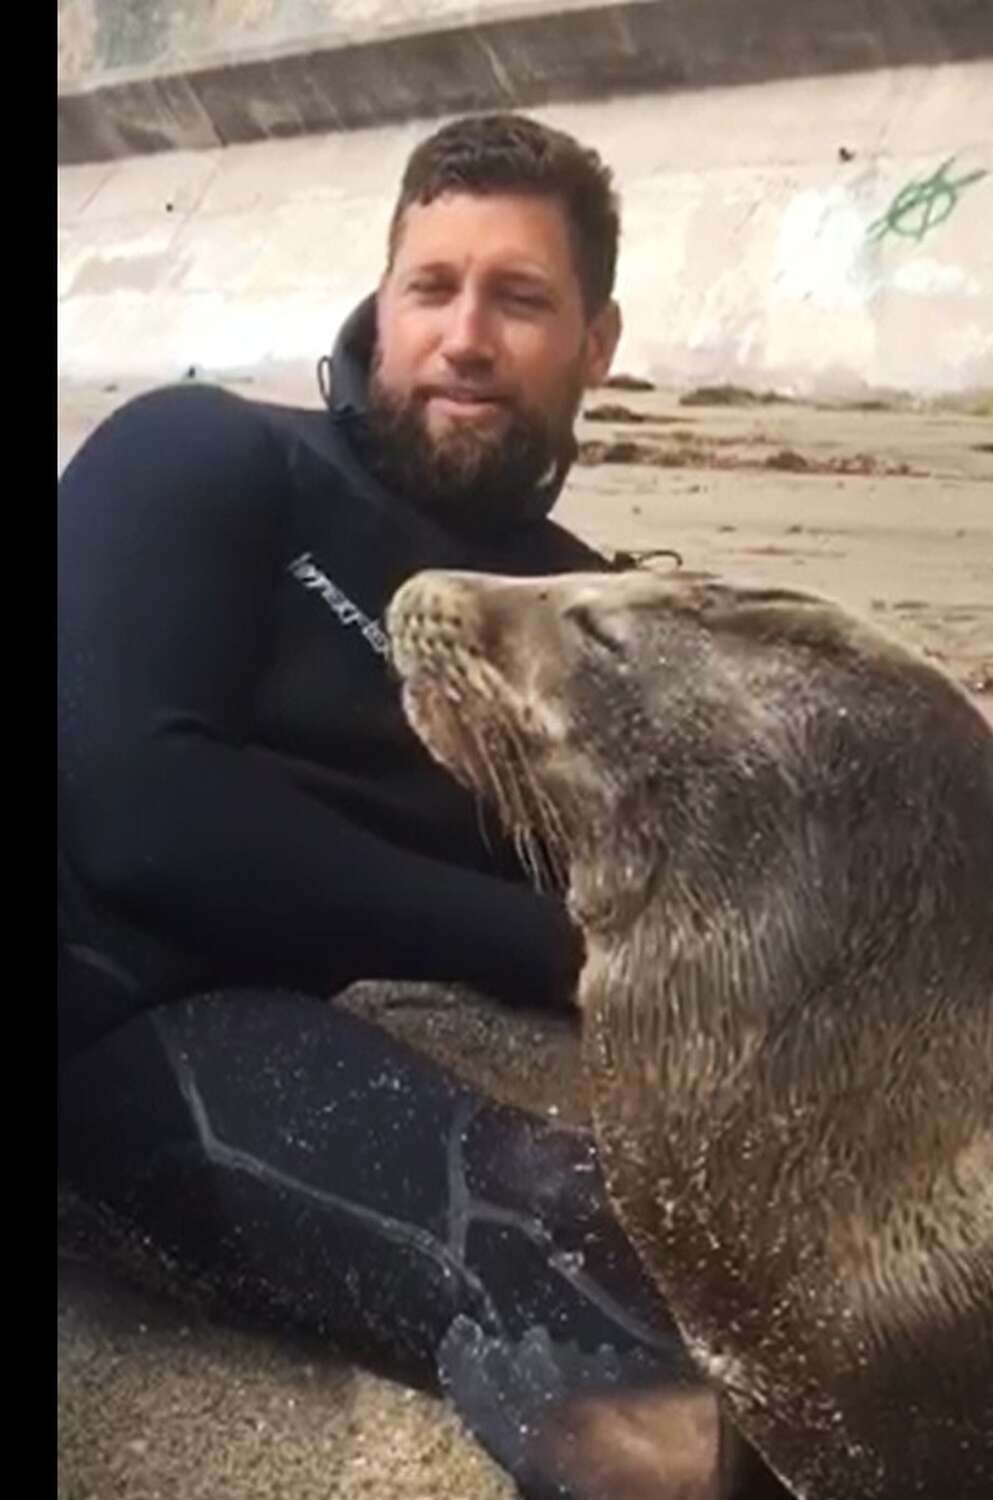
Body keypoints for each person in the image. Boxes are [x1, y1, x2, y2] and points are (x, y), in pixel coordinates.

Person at [58, 113, 765, 1498]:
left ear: (596, 344)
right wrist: (560, 951)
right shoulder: (208, 456)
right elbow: (144, 810)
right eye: (430, 288)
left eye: (520, 298)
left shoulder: (590, 633)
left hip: (174, 1039)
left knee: (557, 1236)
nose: (464, 336)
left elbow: (703, 874)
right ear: (383, 305)